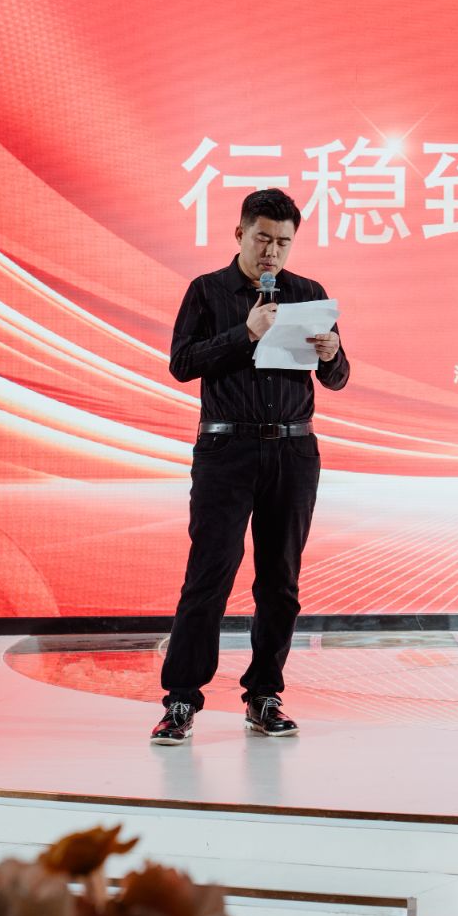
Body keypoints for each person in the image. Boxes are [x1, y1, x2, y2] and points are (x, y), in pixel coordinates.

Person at [151, 188, 348, 745]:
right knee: (209, 575)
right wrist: (247, 333)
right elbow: (182, 363)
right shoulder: (207, 290)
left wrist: (331, 354)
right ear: (240, 234)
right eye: (263, 238)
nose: (272, 251)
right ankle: (181, 699)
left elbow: (337, 378)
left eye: (283, 242)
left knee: (280, 582)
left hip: (293, 451)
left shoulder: (309, 294)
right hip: (226, 451)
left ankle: (264, 695)